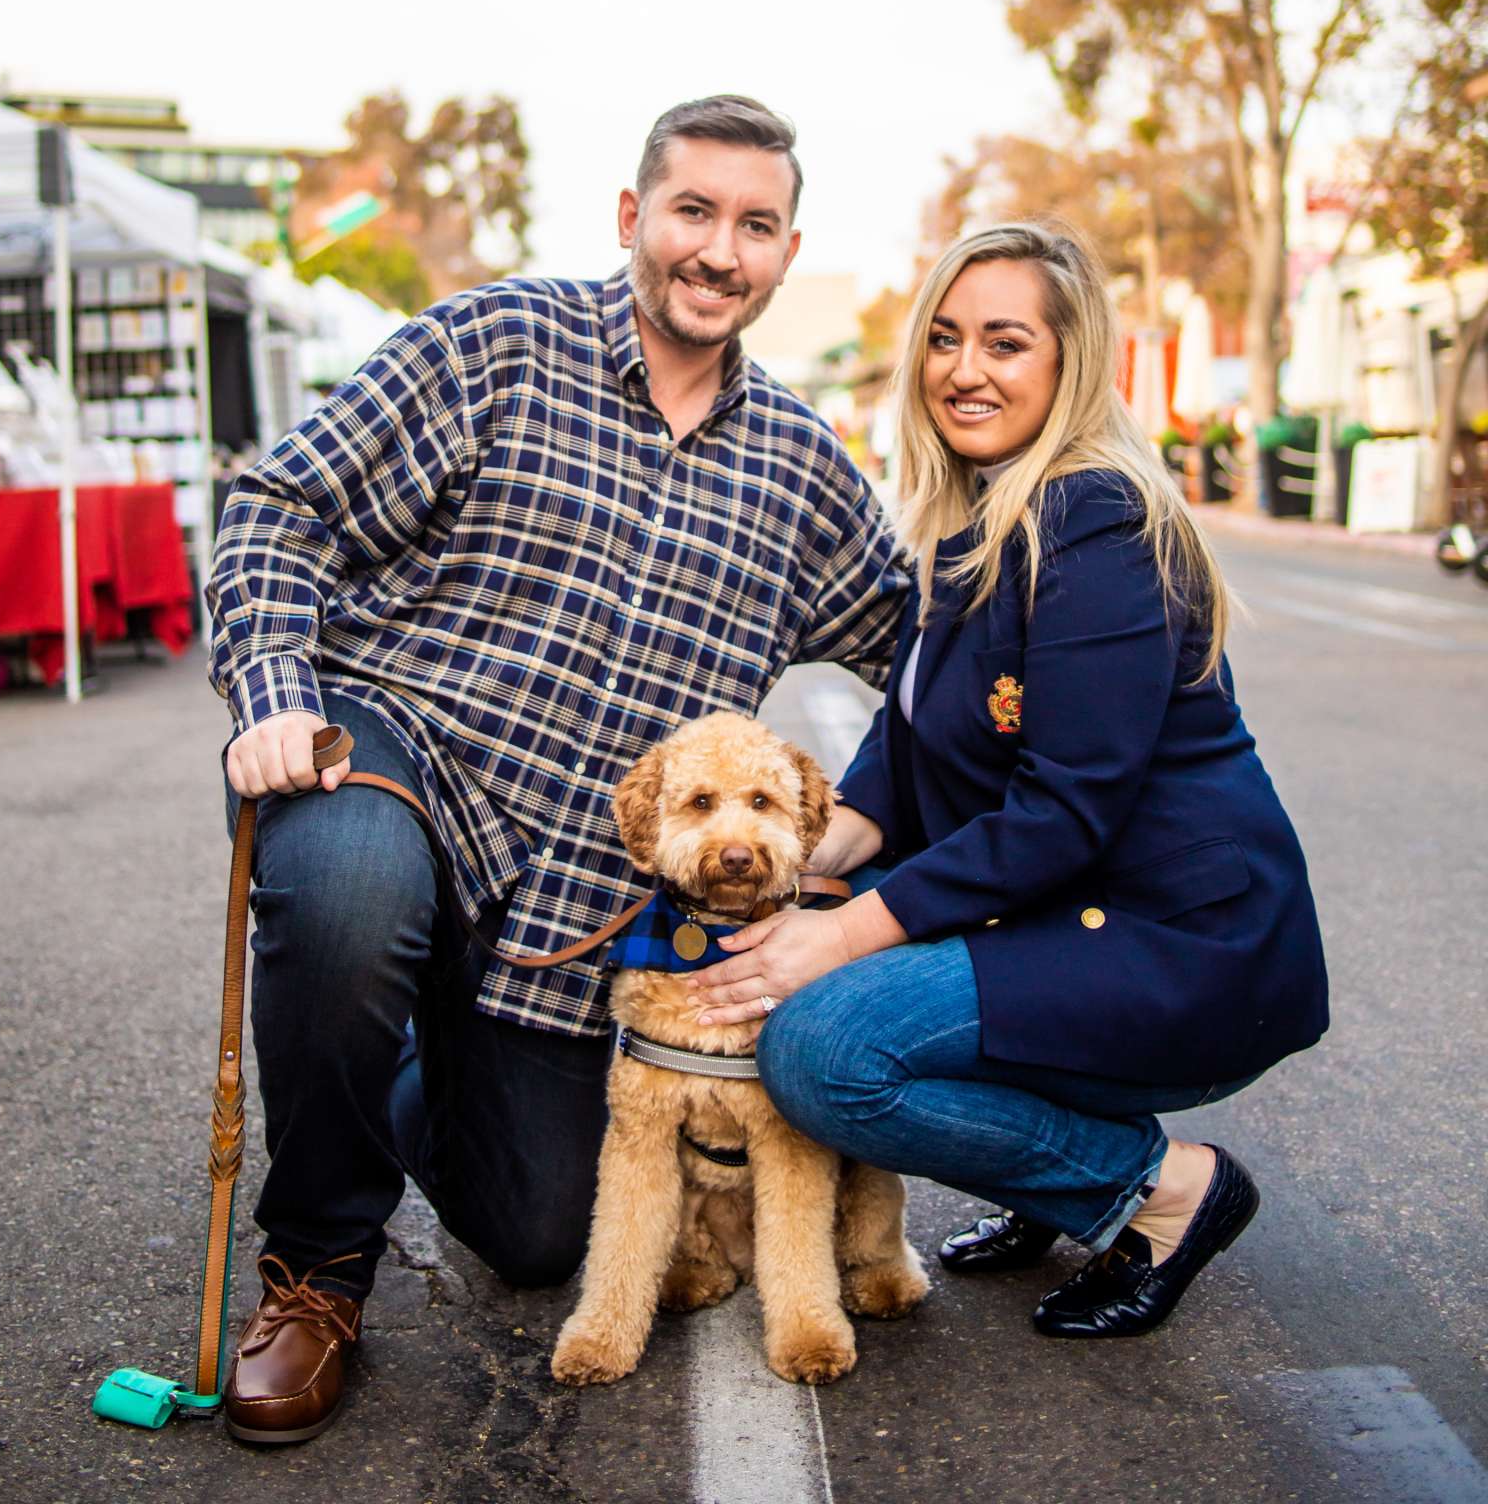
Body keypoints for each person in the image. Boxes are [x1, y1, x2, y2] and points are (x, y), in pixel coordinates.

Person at [205, 95, 910, 1443]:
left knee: (534, 1232)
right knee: (353, 900)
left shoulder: (805, 470)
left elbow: (925, 659)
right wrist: (276, 698)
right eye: (694, 212)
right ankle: (317, 1269)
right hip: (405, 771)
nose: (719, 249)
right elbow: (278, 510)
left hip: (573, 919)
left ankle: (391, 1040)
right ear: (635, 217)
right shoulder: (496, 345)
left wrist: (876, 812)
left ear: (784, 248)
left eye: (754, 226)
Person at [690, 219, 1329, 1339]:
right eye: (943, 339)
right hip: (1063, 912)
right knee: (827, 925)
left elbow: (1065, 810)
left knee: (824, 1052)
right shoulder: (969, 517)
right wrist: (822, 853)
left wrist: (843, 937)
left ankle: (1157, 1192)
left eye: (1003, 342)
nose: (964, 370)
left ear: (1067, 361)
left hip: (1180, 937)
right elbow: (908, 735)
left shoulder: (1094, 524)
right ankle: (1041, 1185)